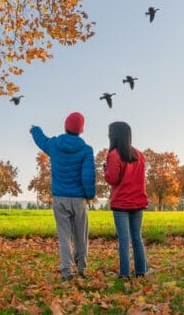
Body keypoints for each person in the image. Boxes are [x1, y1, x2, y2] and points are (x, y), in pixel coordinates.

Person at [30, 112, 96, 280]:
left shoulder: (54, 145)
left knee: (64, 236)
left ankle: (67, 271)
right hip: (79, 199)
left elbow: (41, 140)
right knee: (81, 236)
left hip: (60, 198)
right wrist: (90, 195)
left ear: (65, 126)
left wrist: (35, 129)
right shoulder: (87, 150)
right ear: (81, 130)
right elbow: (88, 177)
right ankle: (82, 268)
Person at [103, 121, 148, 278]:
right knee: (137, 238)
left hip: (121, 203)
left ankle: (124, 274)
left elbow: (113, 179)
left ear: (114, 135)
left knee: (124, 240)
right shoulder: (139, 155)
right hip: (137, 202)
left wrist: (105, 170)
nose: (108, 135)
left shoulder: (114, 155)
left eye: (109, 133)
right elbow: (141, 180)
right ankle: (142, 271)